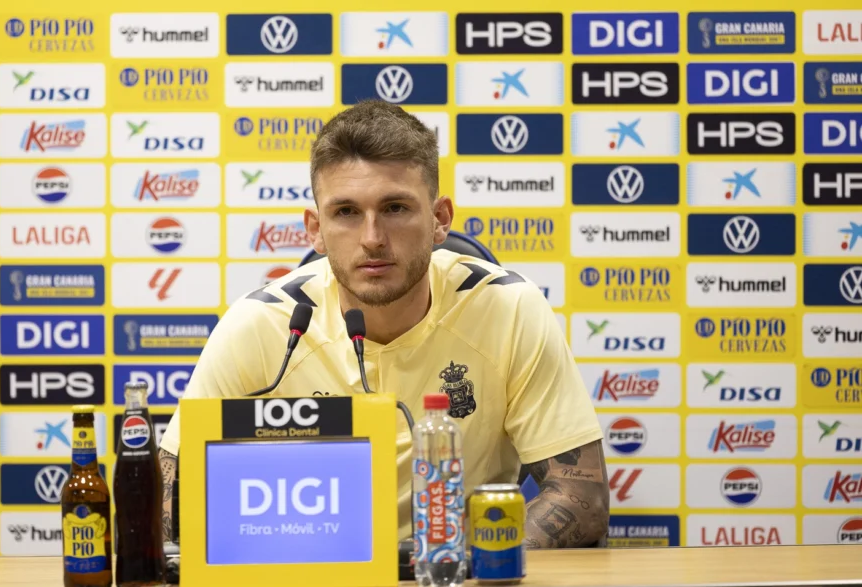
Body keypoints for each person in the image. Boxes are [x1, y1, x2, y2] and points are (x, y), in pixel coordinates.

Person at [157, 99, 609, 548]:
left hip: (453, 573)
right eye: (346, 212)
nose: (372, 238)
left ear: (439, 220)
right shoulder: (260, 325)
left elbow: (580, 498)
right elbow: (168, 505)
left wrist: (458, 565)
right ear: (315, 229)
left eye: (394, 208)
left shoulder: (509, 308)